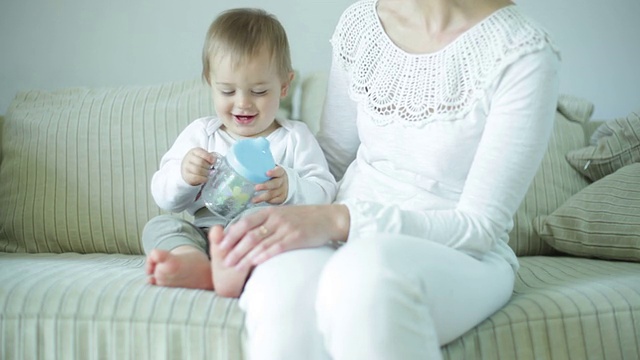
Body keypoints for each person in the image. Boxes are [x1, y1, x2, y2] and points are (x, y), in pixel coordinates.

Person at [208, 0, 561, 358]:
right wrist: (264, 217)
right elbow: (330, 162)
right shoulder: (361, 24)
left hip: (461, 253)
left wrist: (339, 220)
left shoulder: (522, 52)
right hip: (340, 235)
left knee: (366, 276)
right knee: (280, 284)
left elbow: (479, 228)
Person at [142, 8, 337, 298]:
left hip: (255, 236)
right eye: (228, 91)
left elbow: (326, 192)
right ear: (210, 81)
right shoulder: (202, 134)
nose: (243, 103)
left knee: (258, 219)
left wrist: (291, 187)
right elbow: (163, 196)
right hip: (206, 233)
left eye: (259, 91)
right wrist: (184, 175)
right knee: (159, 225)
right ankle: (193, 261)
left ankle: (238, 267)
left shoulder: (294, 137)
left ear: (284, 86)